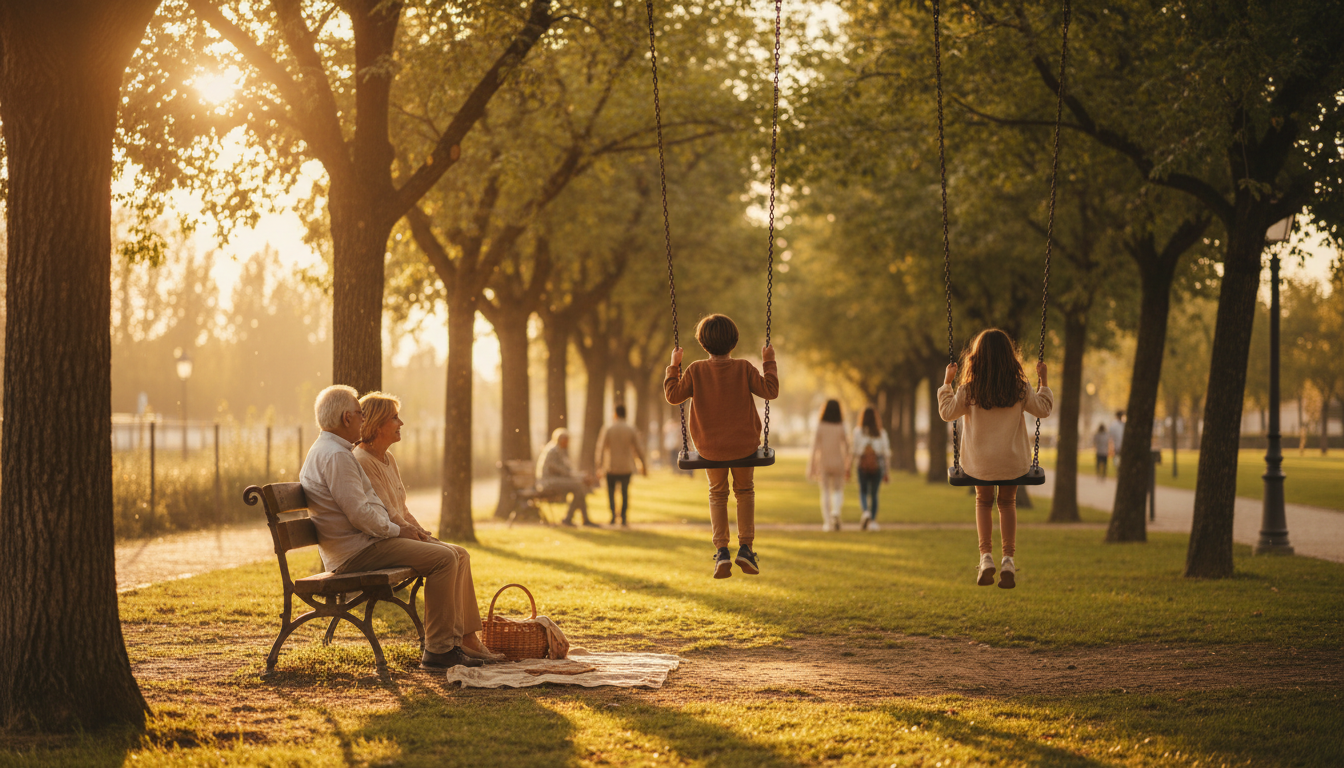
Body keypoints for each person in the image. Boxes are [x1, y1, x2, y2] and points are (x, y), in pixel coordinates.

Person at [299, 385, 485, 670]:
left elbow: (370, 509)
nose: (362, 420)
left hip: (362, 545)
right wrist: (399, 531)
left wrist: (409, 531)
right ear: (347, 418)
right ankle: (439, 651)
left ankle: (453, 643)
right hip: (356, 552)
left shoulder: (334, 451)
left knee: (450, 554)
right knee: (444, 558)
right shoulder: (337, 456)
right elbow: (360, 514)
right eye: (360, 415)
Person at [352, 391, 502, 662]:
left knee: (460, 554)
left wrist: (422, 533)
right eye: (395, 418)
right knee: (445, 557)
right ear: (377, 424)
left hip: (397, 535)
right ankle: (440, 647)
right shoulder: (363, 460)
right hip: (380, 541)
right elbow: (387, 514)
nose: (401, 423)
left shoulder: (388, 459)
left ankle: (467, 638)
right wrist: (421, 539)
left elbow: (402, 509)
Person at [664, 313, 779, 579]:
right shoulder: (744, 368)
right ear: (734, 341)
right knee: (744, 491)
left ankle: (722, 551)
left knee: (717, 493)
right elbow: (770, 390)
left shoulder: (694, 370)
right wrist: (768, 361)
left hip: (710, 447)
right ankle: (746, 548)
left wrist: (674, 366)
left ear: (703, 343)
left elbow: (673, 396)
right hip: (744, 446)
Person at [937, 329, 1054, 590]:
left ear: (977, 358)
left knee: (983, 500)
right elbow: (1043, 409)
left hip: (979, 464)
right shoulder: (1020, 388)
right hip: (1012, 463)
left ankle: (986, 556)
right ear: (1009, 358)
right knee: (1007, 501)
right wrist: (1043, 381)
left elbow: (947, 412)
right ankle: (1009, 559)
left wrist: (947, 382)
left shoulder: (969, 390)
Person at [595, 404, 648, 526]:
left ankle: (613, 516)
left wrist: (599, 465)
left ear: (615, 414)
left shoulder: (608, 428)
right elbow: (638, 449)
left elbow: (601, 448)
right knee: (624, 492)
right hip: (626, 466)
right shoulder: (630, 429)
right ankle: (623, 517)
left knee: (611, 492)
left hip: (611, 466)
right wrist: (643, 465)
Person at [536, 428, 598, 527]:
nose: (567, 443)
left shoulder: (558, 450)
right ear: (559, 439)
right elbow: (563, 471)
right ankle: (571, 518)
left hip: (554, 480)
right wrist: (581, 477)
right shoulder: (553, 451)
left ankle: (581, 519)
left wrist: (581, 476)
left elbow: (567, 471)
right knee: (578, 487)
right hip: (548, 482)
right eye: (565, 440)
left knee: (579, 487)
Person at [807, 399, 851, 532]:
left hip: (824, 462)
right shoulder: (842, 426)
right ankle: (836, 512)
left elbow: (814, 448)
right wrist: (848, 463)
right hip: (839, 461)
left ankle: (827, 523)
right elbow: (848, 447)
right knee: (838, 489)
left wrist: (812, 466)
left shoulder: (820, 426)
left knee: (825, 491)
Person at [852, 405, 891, 531]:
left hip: (862, 465)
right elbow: (886, 454)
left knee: (863, 491)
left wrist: (848, 467)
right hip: (877, 465)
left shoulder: (858, 432)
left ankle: (865, 512)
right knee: (874, 494)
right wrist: (887, 471)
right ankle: (873, 521)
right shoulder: (881, 432)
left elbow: (853, 451)